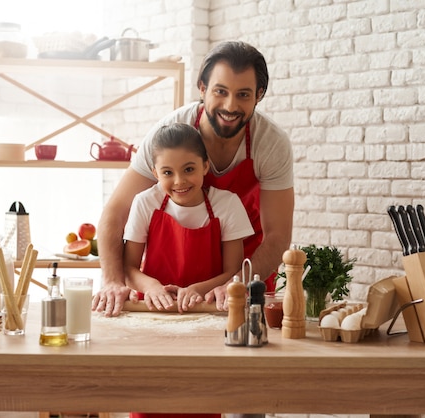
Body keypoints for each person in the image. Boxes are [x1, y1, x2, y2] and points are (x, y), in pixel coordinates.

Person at [93, 41, 294, 317]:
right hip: (164, 289)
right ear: (202, 88)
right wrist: (113, 281)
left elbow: (278, 236)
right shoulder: (168, 135)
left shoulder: (271, 144)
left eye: (243, 94)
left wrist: (237, 283)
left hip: (242, 275)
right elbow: (115, 213)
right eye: (220, 91)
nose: (230, 105)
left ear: (259, 95)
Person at [123, 122, 254, 314]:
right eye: (167, 172)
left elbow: (233, 272)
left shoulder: (227, 204)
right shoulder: (145, 202)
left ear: (205, 166)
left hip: (208, 307)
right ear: (155, 173)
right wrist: (151, 287)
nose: (179, 181)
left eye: (189, 169)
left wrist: (197, 290)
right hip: (155, 309)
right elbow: (128, 268)